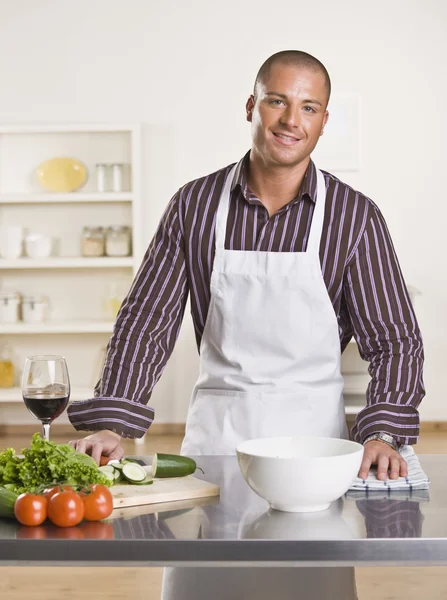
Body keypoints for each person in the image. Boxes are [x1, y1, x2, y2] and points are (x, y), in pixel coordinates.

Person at [68, 50, 425, 599]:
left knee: (311, 585)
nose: (291, 119)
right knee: (206, 583)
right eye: (277, 100)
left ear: (324, 121)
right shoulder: (193, 205)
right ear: (251, 106)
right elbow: (146, 321)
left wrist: (381, 432)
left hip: (315, 452)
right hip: (217, 442)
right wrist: (116, 420)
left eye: (309, 107)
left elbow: (395, 339)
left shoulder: (355, 217)